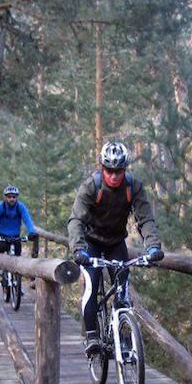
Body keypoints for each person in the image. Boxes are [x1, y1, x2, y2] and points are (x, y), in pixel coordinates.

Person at [68, 140, 164, 357]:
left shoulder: (133, 187)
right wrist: (78, 249)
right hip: (91, 242)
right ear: (102, 168)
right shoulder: (91, 187)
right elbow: (76, 221)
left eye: (118, 170)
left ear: (125, 169)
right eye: (109, 170)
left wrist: (153, 247)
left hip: (115, 243)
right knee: (92, 286)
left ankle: (124, 337)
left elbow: (145, 219)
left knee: (123, 290)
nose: (113, 175)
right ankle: (92, 336)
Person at [0, 185, 38, 258]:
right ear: (5, 197)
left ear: (16, 197)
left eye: (14, 197)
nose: (12, 199)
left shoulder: (20, 207)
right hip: (2, 236)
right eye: (9, 197)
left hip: (15, 237)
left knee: (18, 257)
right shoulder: (0, 207)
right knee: (0, 255)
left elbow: (27, 220)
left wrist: (31, 232)